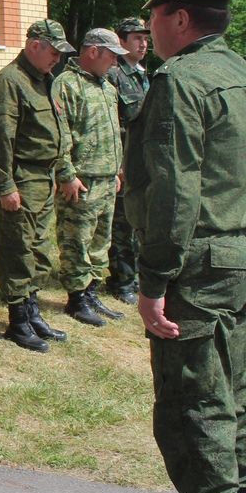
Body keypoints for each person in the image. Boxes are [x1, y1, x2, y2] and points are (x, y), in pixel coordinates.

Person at [125, 0, 246, 493]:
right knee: (234, 391)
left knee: (195, 401)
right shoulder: (240, 72)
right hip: (240, 254)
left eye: (155, 10)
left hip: (199, 263)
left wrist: (153, 280)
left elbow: (175, 191)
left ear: (180, 18)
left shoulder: (181, 81)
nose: (148, 23)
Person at [0, 19, 76, 353]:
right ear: (34, 45)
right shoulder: (10, 82)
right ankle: (18, 321)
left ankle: (32, 312)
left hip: (43, 179)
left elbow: (58, 131)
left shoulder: (45, 80)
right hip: (21, 180)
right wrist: (5, 186)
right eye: (53, 52)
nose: (57, 59)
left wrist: (62, 172)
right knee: (16, 250)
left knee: (37, 249)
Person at [52, 27, 128, 328]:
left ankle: (92, 293)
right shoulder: (66, 84)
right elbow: (60, 135)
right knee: (76, 242)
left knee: (100, 241)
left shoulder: (107, 87)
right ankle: (76, 299)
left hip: (107, 179)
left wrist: (117, 170)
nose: (115, 63)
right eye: (111, 56)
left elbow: (113, 133)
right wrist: (67, 174)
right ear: (93, 51)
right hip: (81, 181)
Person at [104, 17, 152, 304]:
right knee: (121, 224)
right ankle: (120, 282)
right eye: (136, 38)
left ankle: (134, 276)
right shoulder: (113, 75)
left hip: (142, 160)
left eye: (145, 38)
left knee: (139, 222)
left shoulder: (143, 74)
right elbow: (112, 125)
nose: (143, 43)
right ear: (121, 42)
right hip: (122, 160)